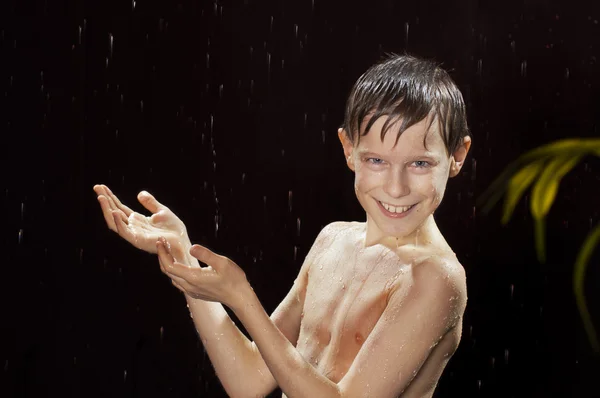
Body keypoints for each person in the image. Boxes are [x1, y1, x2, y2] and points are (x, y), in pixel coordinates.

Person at [94, 53, 472, 398]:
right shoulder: (332, 241)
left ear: (457, 156)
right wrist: (182, 255)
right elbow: (249, 380)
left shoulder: (434, 278)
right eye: (376, 160)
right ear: (348, 149)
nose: (396, 187)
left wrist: (242, 298)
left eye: (419, 164)